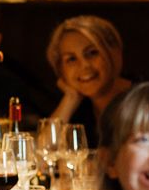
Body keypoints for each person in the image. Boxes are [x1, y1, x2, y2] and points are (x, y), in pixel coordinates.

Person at [46, 15, 132, 146]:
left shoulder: (145, 102)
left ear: (115, 53)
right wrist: (70, 99)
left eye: (92, 53)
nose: (84, 65)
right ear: (61, 70)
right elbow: (45, 154)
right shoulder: (79, 108)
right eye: (71, 59)